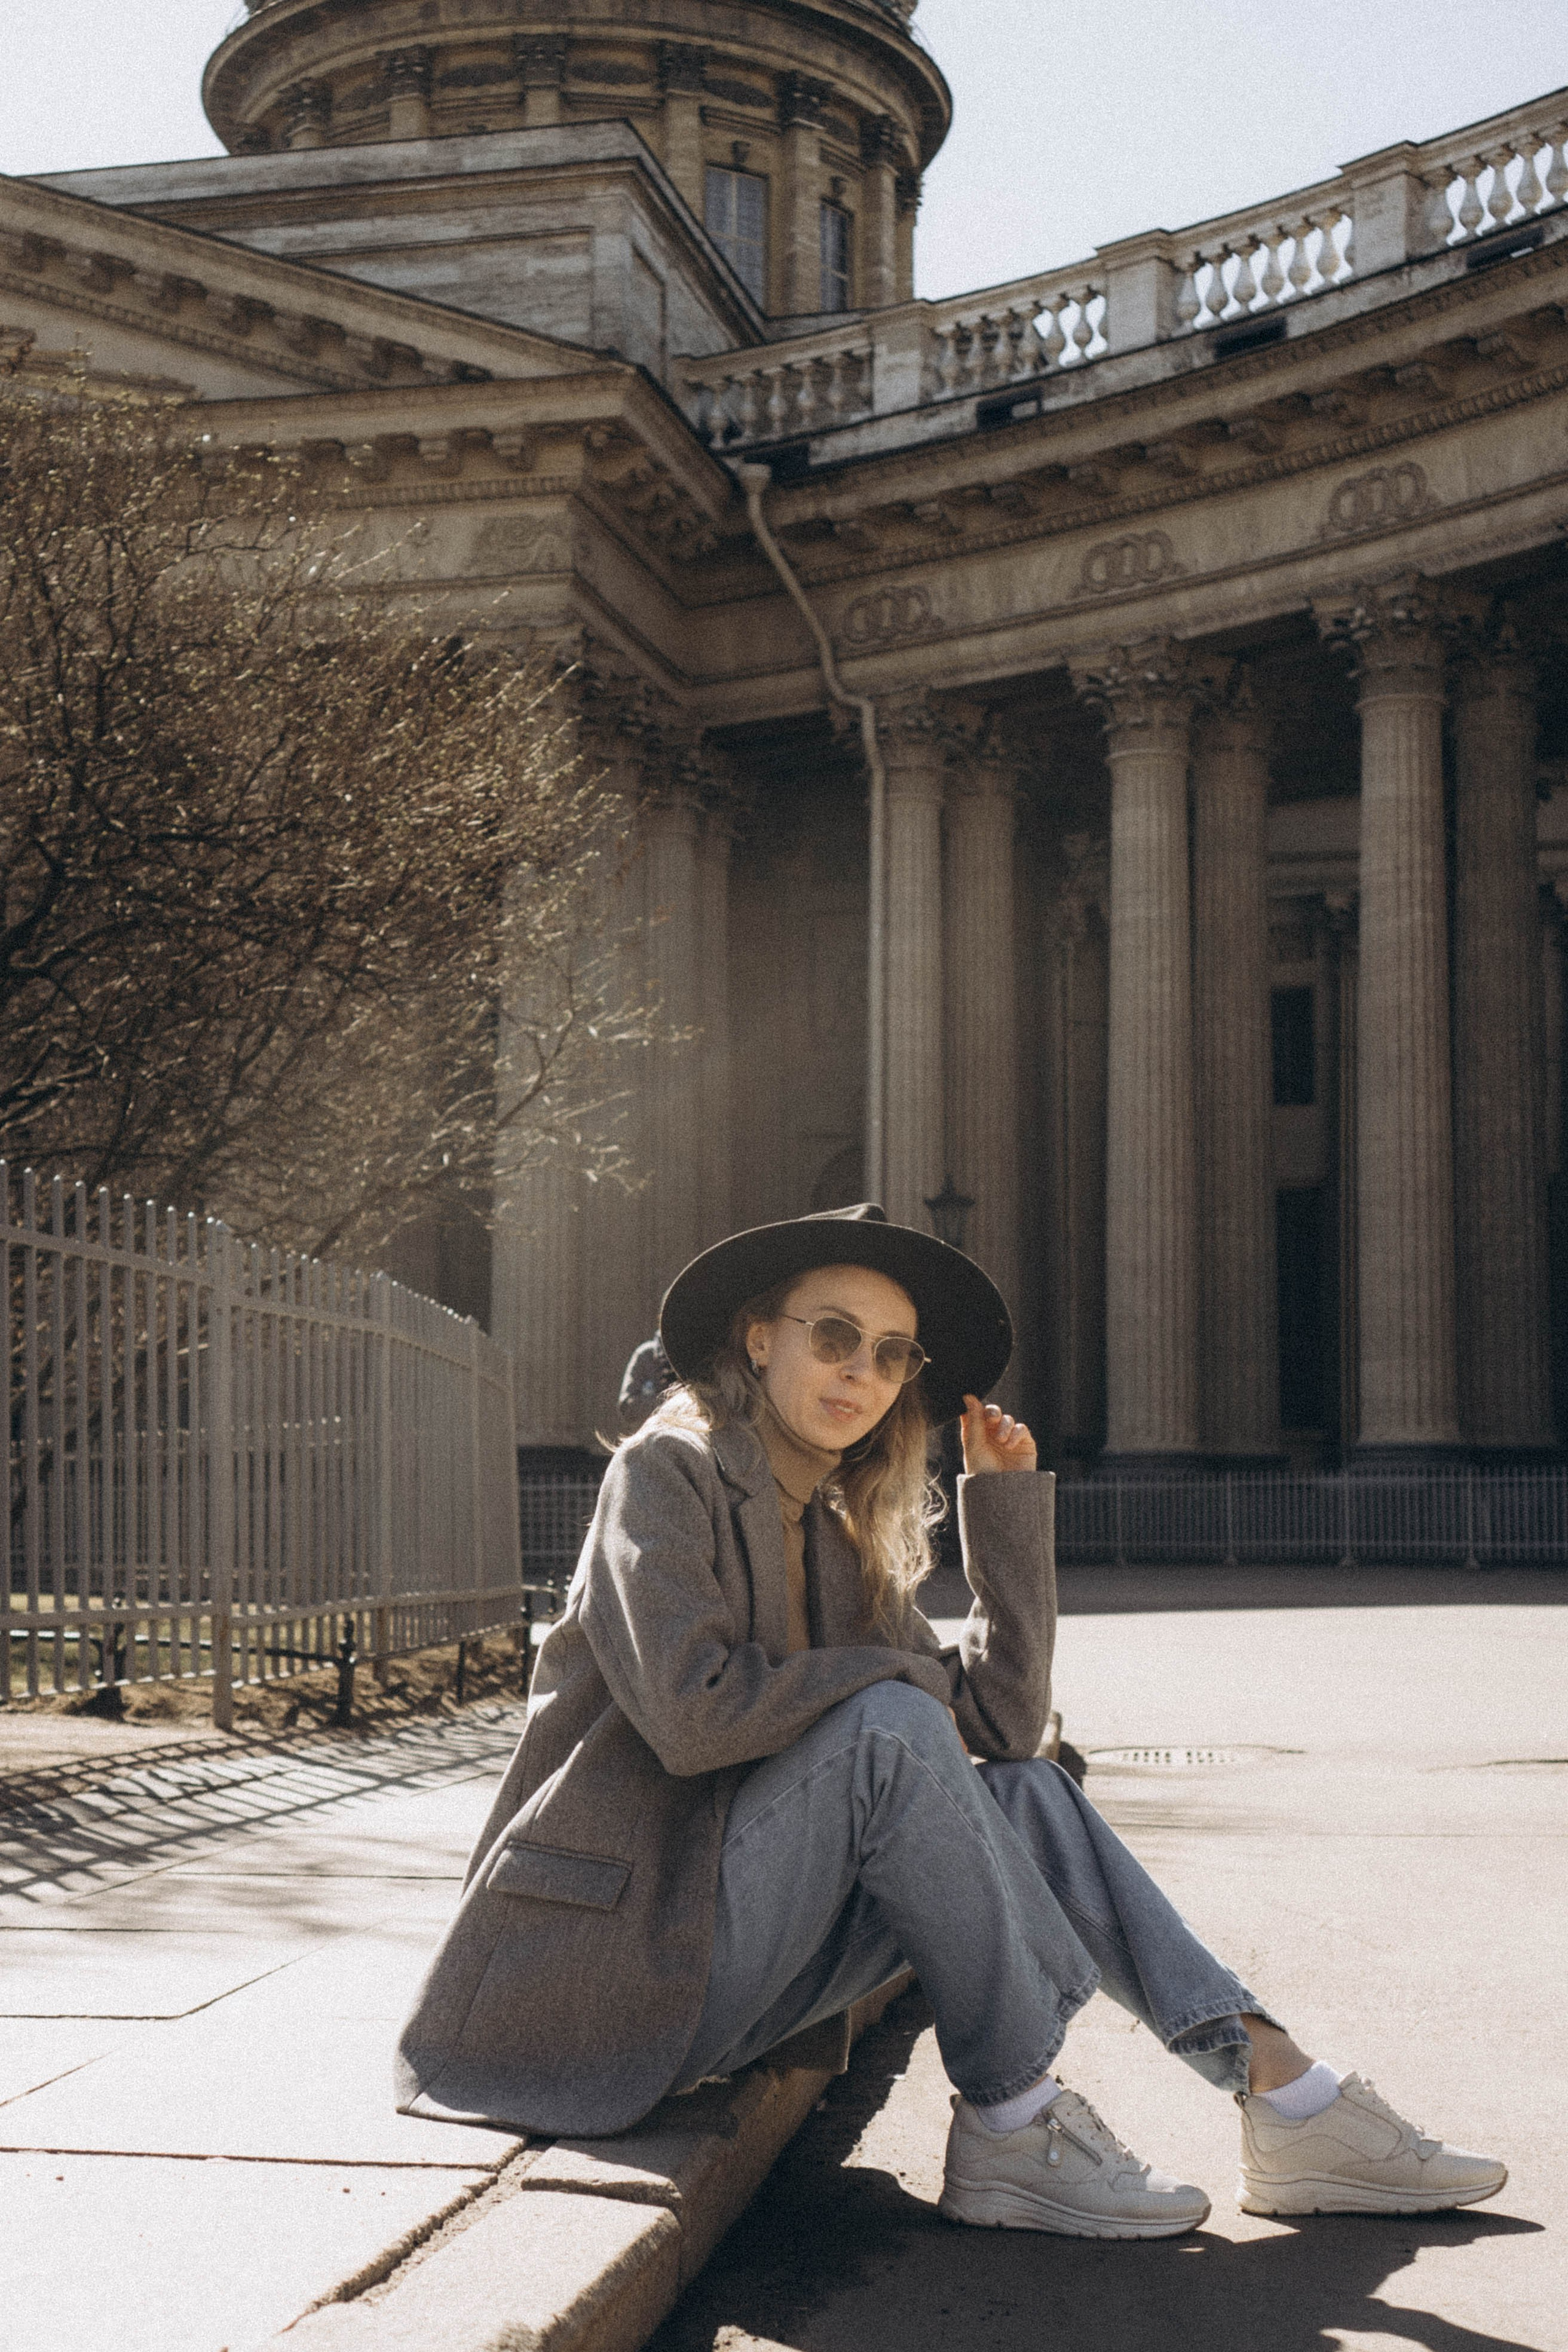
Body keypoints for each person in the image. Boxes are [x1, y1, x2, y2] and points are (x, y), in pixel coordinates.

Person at [398, 1203, 1506, 2236]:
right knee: (890, 1720)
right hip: (598, 1972)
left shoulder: (832, 1526)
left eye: (893, 1354)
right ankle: (1014, 2115)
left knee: (1016, 1788)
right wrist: (894, 1683)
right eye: (835, 1334)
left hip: (733, 1951)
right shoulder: (666, 1473)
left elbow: (1005, 1732)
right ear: (755, 1340)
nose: (863, 1372)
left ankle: (1285, 2092)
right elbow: (695, 1720)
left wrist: (1004, 1513)